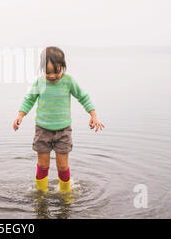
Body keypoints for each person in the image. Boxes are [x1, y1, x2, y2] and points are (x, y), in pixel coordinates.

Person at [13, 46, 105, 193]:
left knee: (62, 166)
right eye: (47, 72)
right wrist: (20, 115)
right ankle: (41, 194)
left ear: (63, 66)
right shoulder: (40, 82)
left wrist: (93, 115)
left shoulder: (68, 82)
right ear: (42, 69)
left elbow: (83, 97)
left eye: (56, 71)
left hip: (63, 131)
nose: (52, 76)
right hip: (43, 130)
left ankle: (66, 195)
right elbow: (29, 99)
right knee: (43, 165)